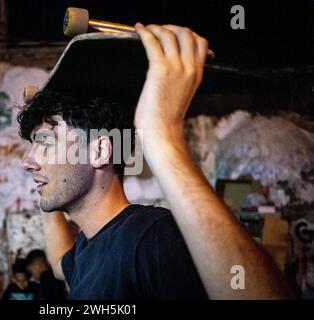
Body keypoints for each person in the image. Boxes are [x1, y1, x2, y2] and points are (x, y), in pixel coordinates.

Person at [19, 24, 294, 299]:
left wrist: (161, 134)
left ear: (100, 152)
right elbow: (58, 264)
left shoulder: (151, 237)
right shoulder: (86, 249)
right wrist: (45, 179)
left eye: (44, 142)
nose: (27, 161)